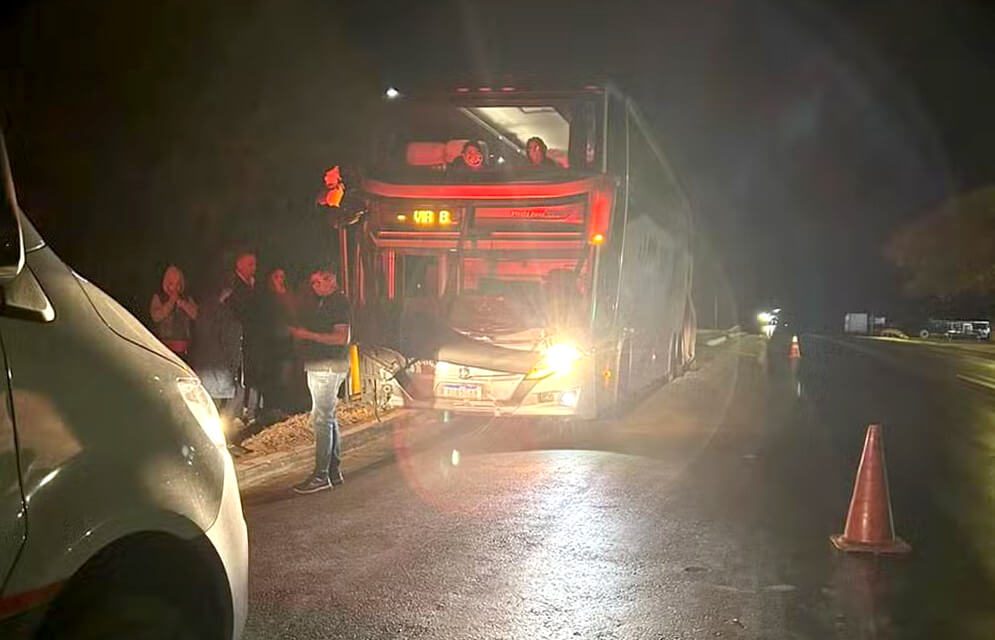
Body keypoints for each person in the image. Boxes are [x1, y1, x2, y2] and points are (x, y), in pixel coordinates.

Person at [291, 267, 352, 494]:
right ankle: (333, 470)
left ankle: (321, 475)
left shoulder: (337, 303)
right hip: (324, 365)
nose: (314, 287)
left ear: (331, 280)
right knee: (328, 416)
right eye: (312, 283)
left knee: (322, 419)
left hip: (327, 366)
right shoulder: (327, 302)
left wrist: (309, 336)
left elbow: (341, 337)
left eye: (318, 282)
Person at [223, 250, 264, 424]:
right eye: (250, 264)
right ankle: (235, 414)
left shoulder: (253, 284)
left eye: (254, 264)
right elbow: (241, 311)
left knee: (252, 375)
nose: (254, 268)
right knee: (241, 377)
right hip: (239, 337)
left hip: (252, 338)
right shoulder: (234, 286)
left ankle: (251, 411)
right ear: (239, 265)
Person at [149, 265, 198, 357]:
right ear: (166, 283)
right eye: (171, 284)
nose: (175, 287)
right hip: (165, 349)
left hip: (185, 351)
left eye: (178, 284)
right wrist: (171, 302)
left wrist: (183, 304)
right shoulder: (158, 297)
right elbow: (156, 317)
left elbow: (196, 315)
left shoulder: (187, 298)